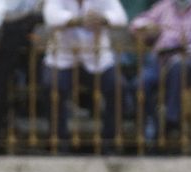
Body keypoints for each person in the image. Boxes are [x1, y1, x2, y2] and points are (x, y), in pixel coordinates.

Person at [129, 0, 191, 145]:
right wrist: (148, 27)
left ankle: (171, 122)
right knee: (140, 83)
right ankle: (154, 126)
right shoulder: (165, 6)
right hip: (163, 60)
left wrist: (184, 47)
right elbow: (136, 24)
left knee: (179, 67)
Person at [41, 0, 128, 148]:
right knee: (52, 86)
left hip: (97, 60)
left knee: (118, 86)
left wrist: (103, 19)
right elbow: (51, 17)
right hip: (62, 59)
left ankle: (109, 141)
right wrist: (78, 20)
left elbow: (121, 17)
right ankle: (59, 141)